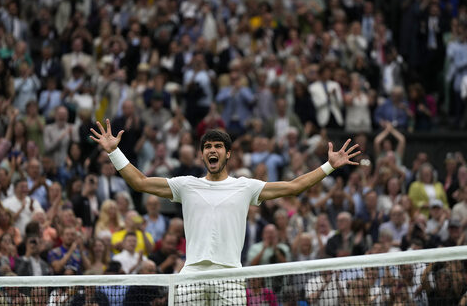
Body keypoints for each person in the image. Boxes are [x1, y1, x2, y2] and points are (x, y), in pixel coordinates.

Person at [90, 121, 359, 303]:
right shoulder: (186, 185)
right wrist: (115, 152)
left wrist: (329, 166)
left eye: (218, 146)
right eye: (208, 147)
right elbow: (140, 182)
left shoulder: (246, 187)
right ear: (202, 156)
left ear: (228, 154)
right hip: (192, 274)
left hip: (230, 276)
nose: (212, 150)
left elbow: (293, 187)